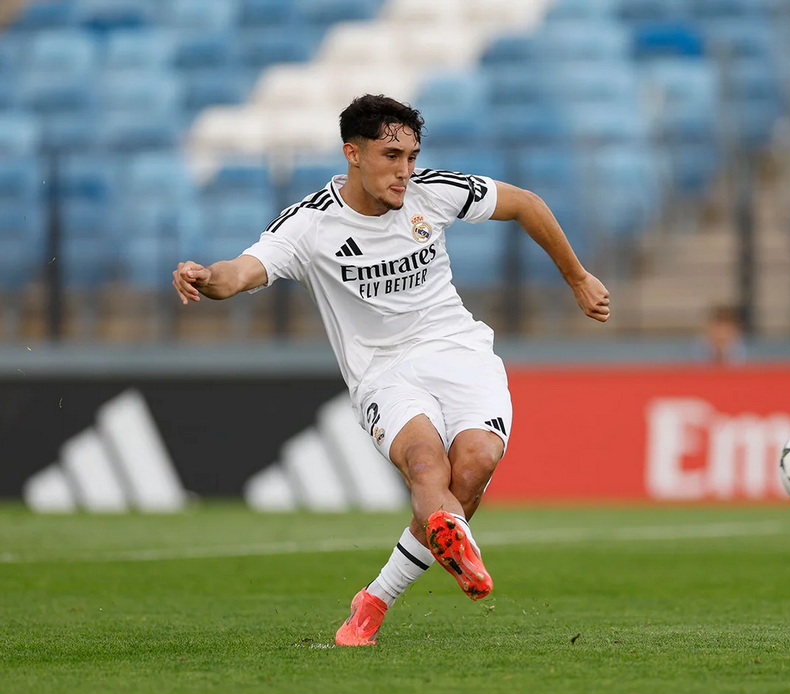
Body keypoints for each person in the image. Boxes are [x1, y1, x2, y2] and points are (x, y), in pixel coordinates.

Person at [171, 95, 611, 646]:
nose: (404, 170)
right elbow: (240, 272)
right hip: (384, 373)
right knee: (429, 469)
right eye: (390, 155)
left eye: (411, 156)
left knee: (471, 471)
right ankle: (434, 555)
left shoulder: (432, 192)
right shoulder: (311, 225)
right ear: (352, 153)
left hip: (459, 352)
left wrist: (577, 278)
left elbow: (525, 202)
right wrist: (204, 276)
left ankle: (375, 597)